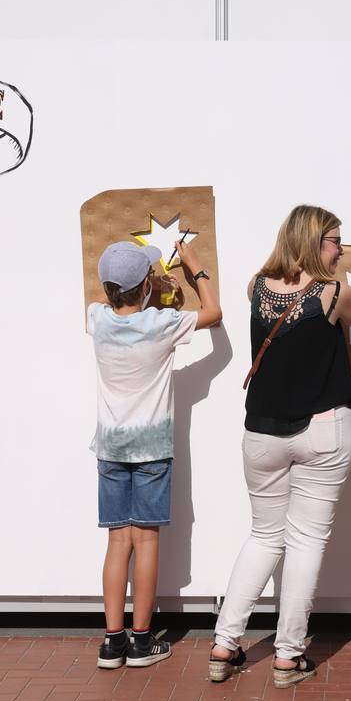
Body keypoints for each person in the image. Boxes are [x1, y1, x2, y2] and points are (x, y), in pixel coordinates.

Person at [209, 205, 351, 688]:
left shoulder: (255, 286)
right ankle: (287, 655)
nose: (341, 249)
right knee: (305, 541)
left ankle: (224, 644)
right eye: (334, 241)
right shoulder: (332, 293)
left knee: (263, 536)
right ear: (312, 241)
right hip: (323, 428)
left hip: (261, 432)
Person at [88, 238, 221, 670]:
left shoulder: (97, 320)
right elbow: (214, 315)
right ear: (146, 284)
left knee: (116, 542)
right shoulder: (162, 324)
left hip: (110, 447)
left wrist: (143, 288)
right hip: (151, 449)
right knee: (145, 542)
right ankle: (142, 641)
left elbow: (108, 301)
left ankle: (112, 642)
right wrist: (195, 269)